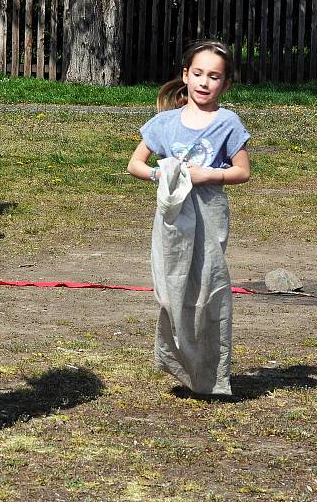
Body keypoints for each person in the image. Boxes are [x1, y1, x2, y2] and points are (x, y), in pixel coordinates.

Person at [127, 40, 250, 396]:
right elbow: (135, 164)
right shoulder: (164, 123)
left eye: (214, 77)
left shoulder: (227, 122)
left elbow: (242, 172)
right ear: (185, 75)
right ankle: (177, 359)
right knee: (170, 293)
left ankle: (212, 375)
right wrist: (161, 175)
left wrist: (209, 175)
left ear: (225, 84)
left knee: (207, 290)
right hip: (172, 218)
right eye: (198, 73)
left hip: (210, 216)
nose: (204, 82)